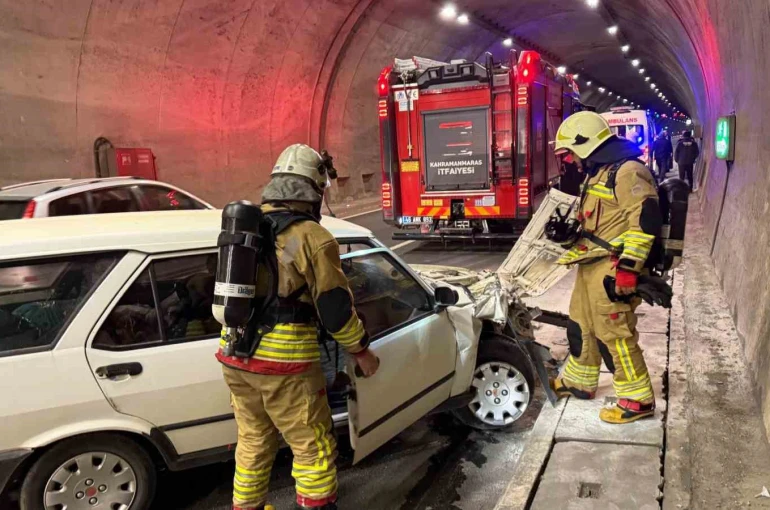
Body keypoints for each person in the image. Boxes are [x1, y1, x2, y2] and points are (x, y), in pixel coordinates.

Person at [216, 144, 380, 510]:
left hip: (235, 355)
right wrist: (361, 350)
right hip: (285, 363)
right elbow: (335, 311)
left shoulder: (249, 229)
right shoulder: (312, 237)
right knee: (313, 446)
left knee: (254, 440)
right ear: (315, 190)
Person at [550, 111, 662, 424]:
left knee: (615, 334)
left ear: (586, 144)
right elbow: (601, 219)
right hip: (590, 265)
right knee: (581, 326)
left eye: (570, 153)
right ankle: (580, 381)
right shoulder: (599, 171)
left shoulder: (627, 172)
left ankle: (637, 400)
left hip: (613, 268)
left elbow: (644, 222)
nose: (570, 160)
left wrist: (629, 269)